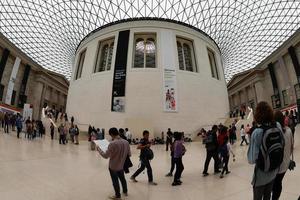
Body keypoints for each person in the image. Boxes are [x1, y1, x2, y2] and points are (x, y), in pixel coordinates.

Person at [247, 101, 284, 200]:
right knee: (268, 196)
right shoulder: (277, 125)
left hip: (261, 173)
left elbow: (251, 159)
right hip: (274, 170)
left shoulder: (257, 132)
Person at [97, 127, 131, 200]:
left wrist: (99, 150)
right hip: (121, 165)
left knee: (115, 181)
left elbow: (106, 156)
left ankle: (117, 196)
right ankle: (125, 191)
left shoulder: (112, 143)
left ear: (111, 134)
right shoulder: (126, 142)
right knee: (122, 179)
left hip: (113, 166)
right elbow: (129, 154)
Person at [271, 111, 294, 200]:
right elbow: (291, 147)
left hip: (276, 166)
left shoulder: (274, 132)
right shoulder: (288, 130)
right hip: (285, 163)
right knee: (278, 182)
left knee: (276, 184)